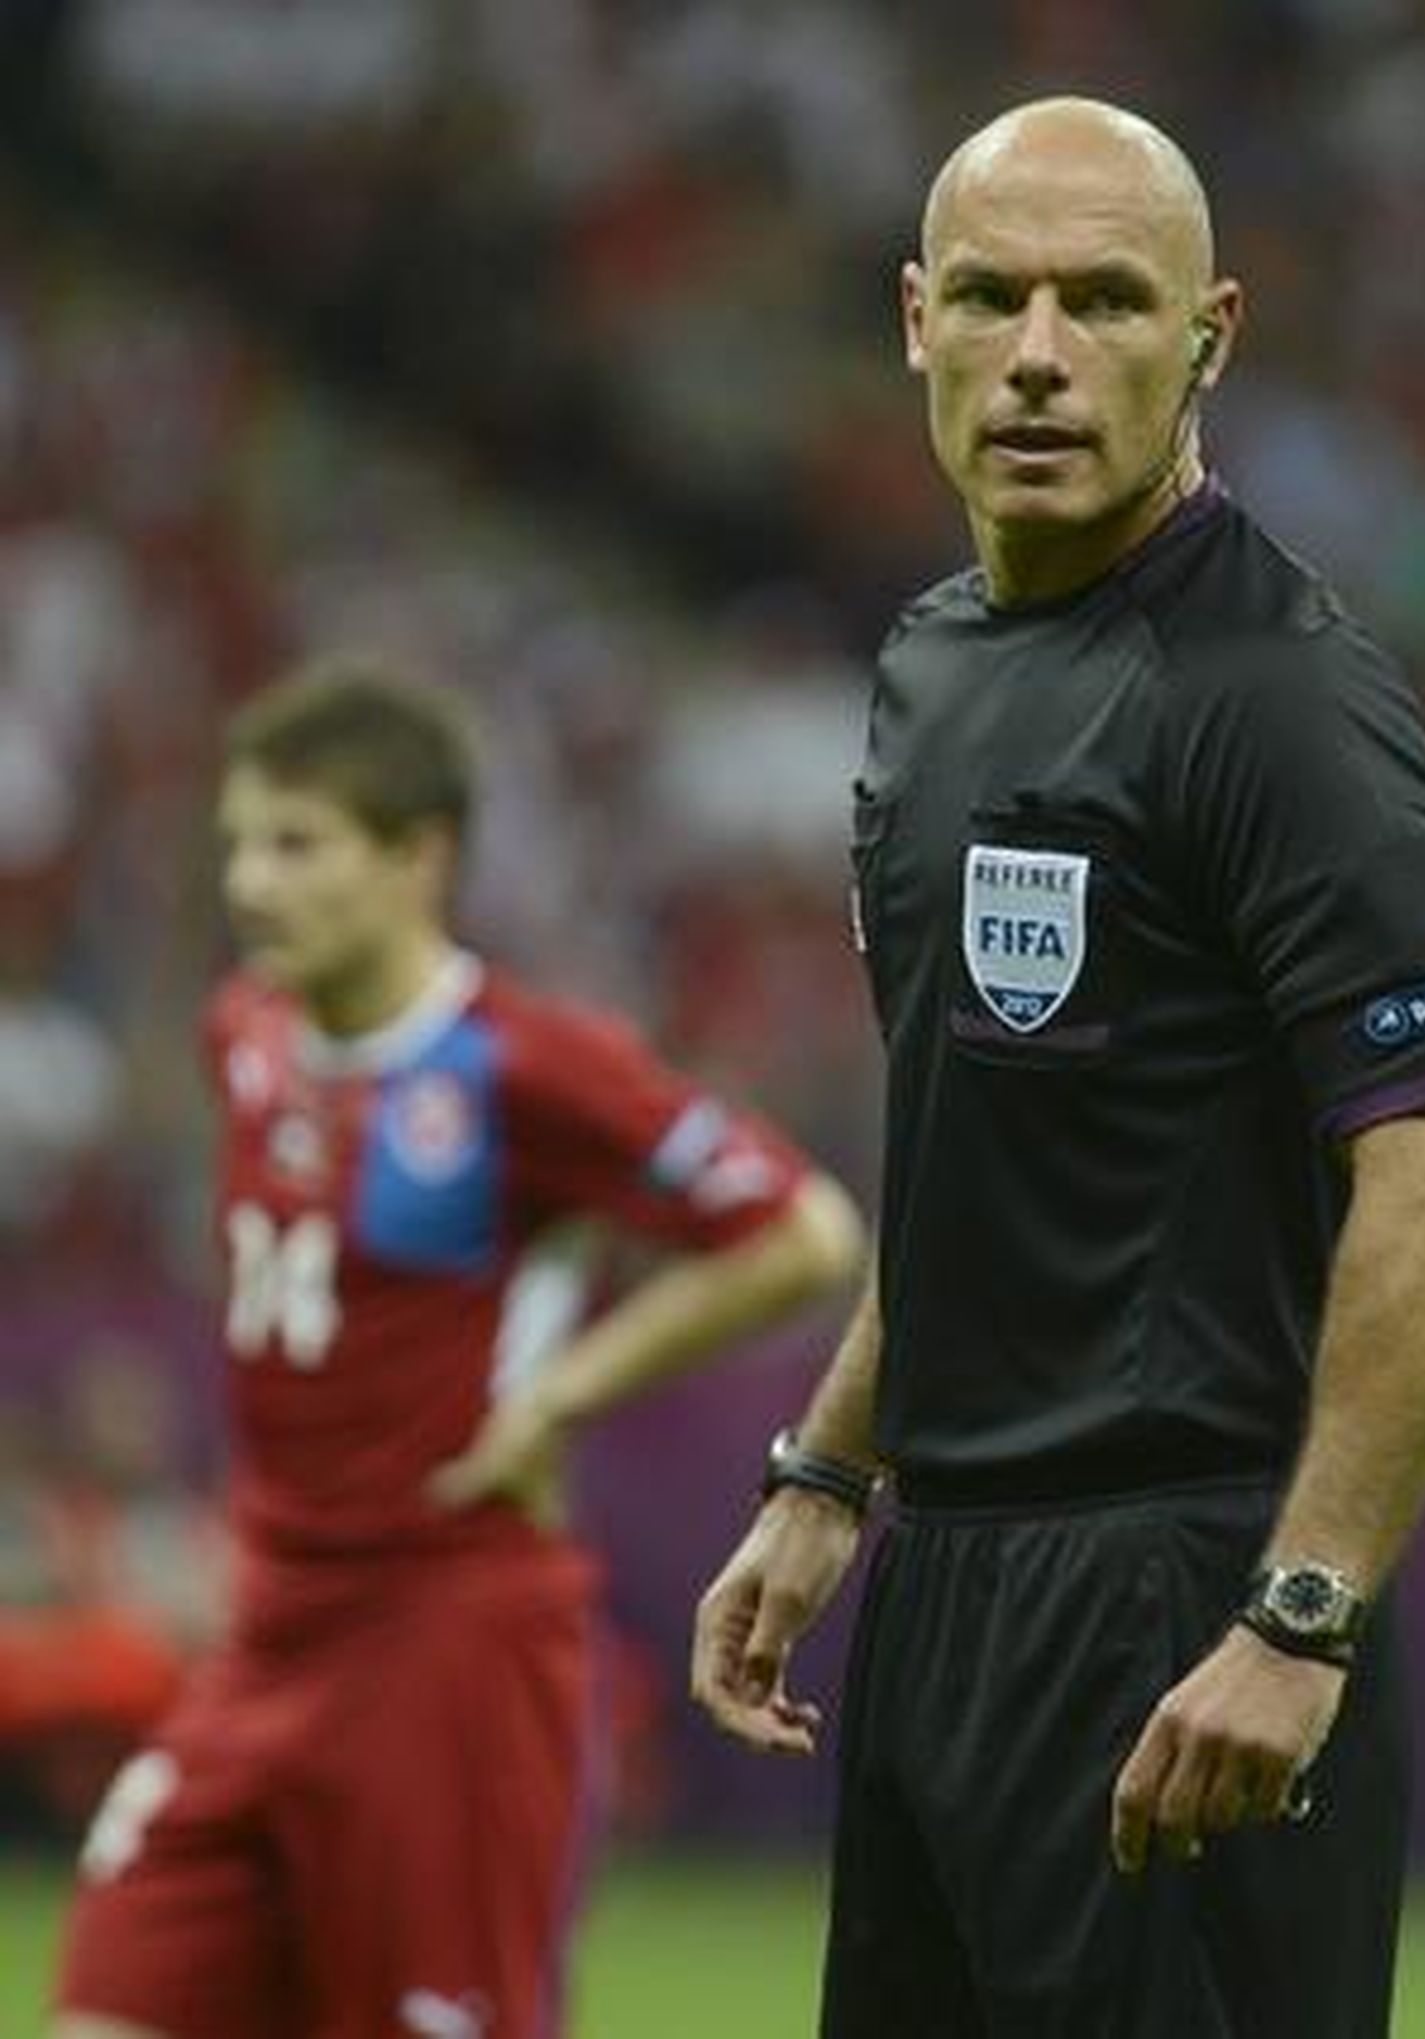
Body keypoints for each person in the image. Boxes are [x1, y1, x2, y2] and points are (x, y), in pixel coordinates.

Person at [692, 96, 1425, 2039]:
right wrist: (831, 1469)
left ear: (1209, 335)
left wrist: (1296, 1616)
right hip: (943, 1588)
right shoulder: (929, 668)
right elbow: (979, 1129)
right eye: (989, 297)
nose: (1040, 355)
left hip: (1180, 1603)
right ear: (913, 320)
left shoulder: (1282, 702)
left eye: (1104, 302)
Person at [54, 663, 864, 2039]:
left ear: (418, 856)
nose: (254, 882)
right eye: (241, 842)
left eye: (300, 845)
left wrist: (564, 1391)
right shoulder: (244, 1033)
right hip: (266, 1641)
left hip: (449, 1641)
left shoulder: (523, 1067)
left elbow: (802, 1229)